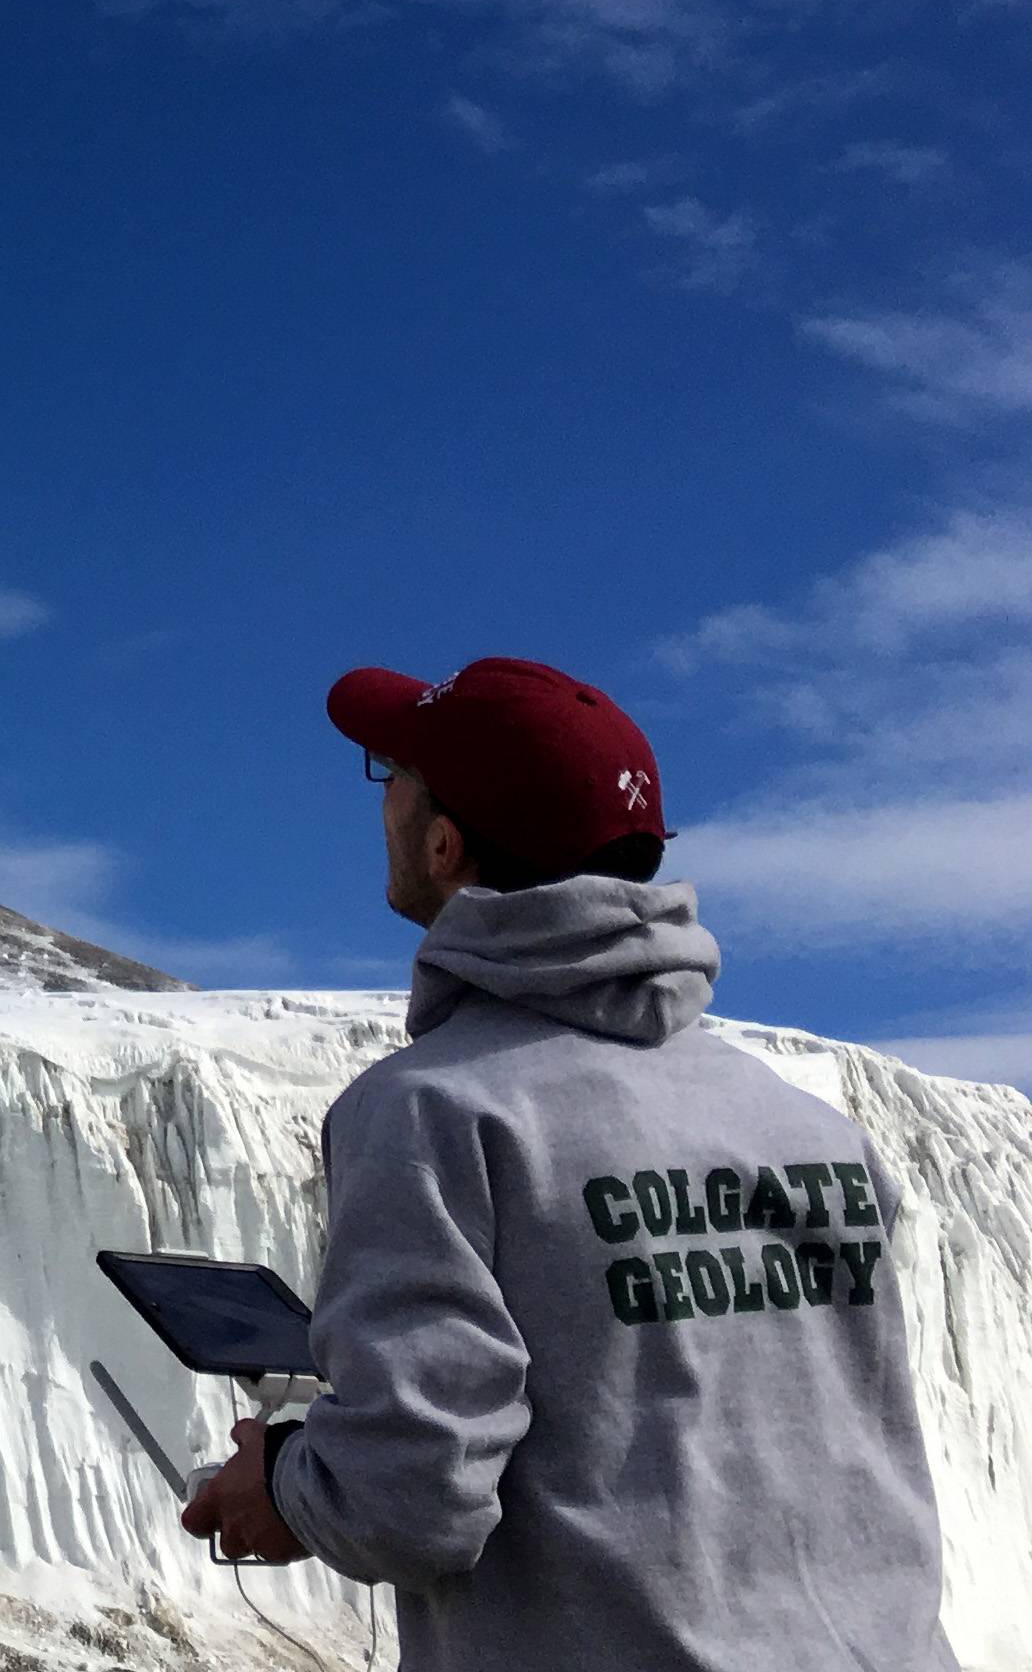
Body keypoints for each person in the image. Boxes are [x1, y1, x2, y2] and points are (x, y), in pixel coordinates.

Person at [182, 656, 956, 1671]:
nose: (382, 803)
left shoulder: (434, 1110)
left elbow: (414, 1498)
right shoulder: (814, 1130)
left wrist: (282, 1484)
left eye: (392, 776)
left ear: (446, 843)